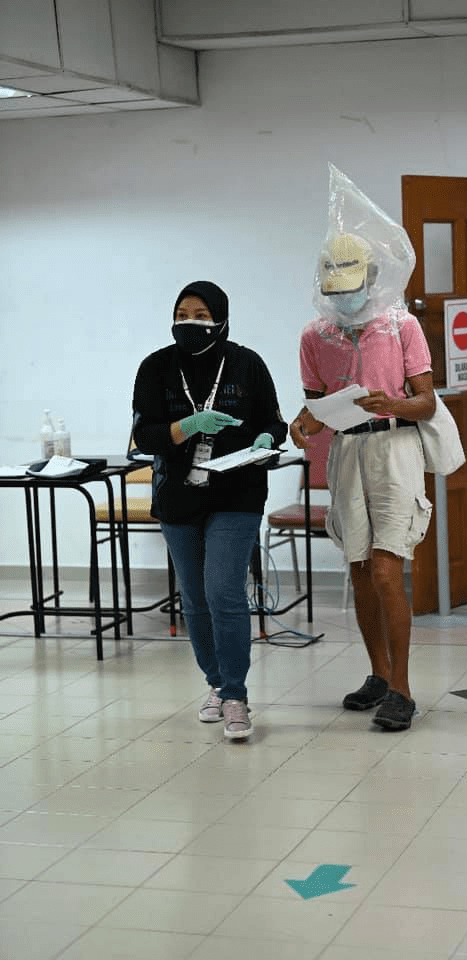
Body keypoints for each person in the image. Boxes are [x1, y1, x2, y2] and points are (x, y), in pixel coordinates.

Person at [290, 234, 435, 731]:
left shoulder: (401, 326)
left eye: (351, 287)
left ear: (372, 280)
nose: (343, 297)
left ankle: (403, 688)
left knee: (386, 572)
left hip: (394, 449)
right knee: (359, 569)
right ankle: (377, 674)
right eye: (334, 290)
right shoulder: (316, 336)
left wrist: (391, 403)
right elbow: (316, 407)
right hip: (347, 451)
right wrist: (303, 424)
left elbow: (427, 403)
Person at [132, 281, 287, 738]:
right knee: (195, 600)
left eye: (201, 315)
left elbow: (273, 422)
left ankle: (236, 696)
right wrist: (190, 425)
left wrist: (266, 440)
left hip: (236, 493)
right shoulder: (156, 367)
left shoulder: (246, 363)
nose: (190, 322)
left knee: (223, 591)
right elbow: (146, 436)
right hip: (180, 496)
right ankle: (217, 684)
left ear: (220, 319)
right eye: (183, 313)